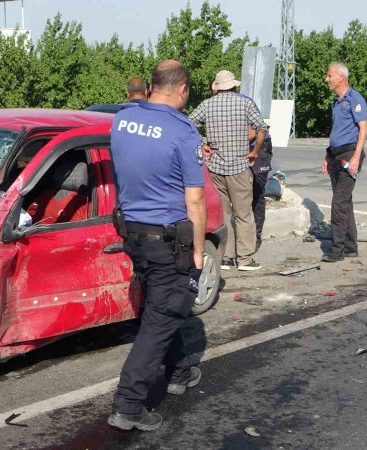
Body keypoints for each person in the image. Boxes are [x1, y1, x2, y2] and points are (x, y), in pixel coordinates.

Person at [108, 60, 206, 432]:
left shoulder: (122, 120)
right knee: (160, 318)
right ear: (182, 89)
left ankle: (179, 372)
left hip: (134, 236)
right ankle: (128, 405)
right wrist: (198, 251)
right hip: (168, 240)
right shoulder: (183, 130)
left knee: (167, 305)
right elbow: (195, 199)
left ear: (151, 87)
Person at [189, 70, 268, 271]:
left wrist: (202, 143)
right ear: (234, 86)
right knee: (244, 214)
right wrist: (255, 152)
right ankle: (245, 259)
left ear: (218, 86)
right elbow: (261, 128)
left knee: (224, 214)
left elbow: (188, 124)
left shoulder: (207, 104)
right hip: (239, 166)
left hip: (215, 167)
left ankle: (225, 257)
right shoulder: (245, 103)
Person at [321, 62, 367, 262]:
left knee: (338, 204)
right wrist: (328, 155)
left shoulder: (355, 99)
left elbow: (363, 128)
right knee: (344, 203)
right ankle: (350, 247)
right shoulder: (336, 102)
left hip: (350, 155)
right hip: (336, 155)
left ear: (341, 77)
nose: (326, 79)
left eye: (329, 75)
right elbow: (336, 131)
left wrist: (356, 157)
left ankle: (337, 250)